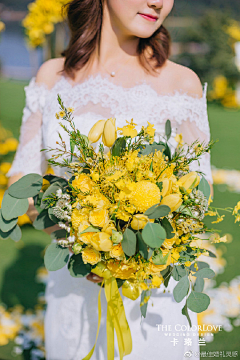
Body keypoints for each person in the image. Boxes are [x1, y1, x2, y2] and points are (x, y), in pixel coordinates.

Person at [7, 0, 214, 359]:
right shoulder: (51, 78)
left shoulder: (182, 83)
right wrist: (82, 242)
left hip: (152, 299)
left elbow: (200, 194)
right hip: (73, 288)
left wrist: (139, 252)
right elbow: (20, 181)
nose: (159, 2)